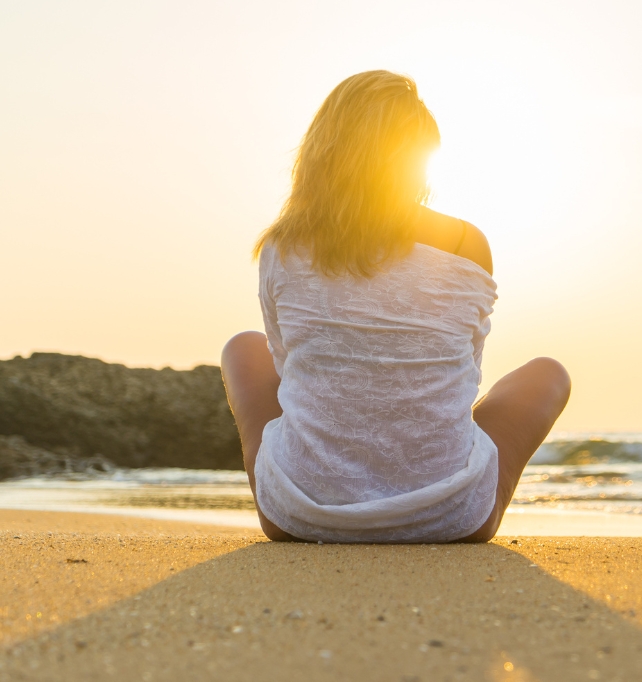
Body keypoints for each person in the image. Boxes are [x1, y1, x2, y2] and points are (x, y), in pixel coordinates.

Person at [221, 70, 570, 542]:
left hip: (299, 516)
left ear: (322, 150)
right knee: (548, 374)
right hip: (451, 518)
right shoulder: (466, 243)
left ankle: (289, 488)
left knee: (244, 350)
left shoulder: (282, 248)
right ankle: (446, 492)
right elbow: (466, 369)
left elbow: (288, 369)